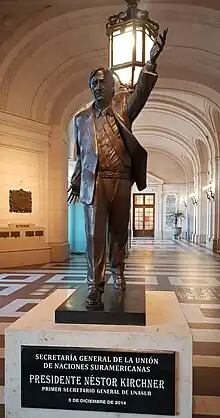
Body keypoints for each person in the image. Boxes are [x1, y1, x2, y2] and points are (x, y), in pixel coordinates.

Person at [68, 29, 168, 310]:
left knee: (118, 234)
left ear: (114, 88)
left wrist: (150, 63)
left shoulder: (124, 107)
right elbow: (82, 155)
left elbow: (142, 92)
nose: (98, 86)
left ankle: (118, 273)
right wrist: (76, 180)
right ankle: (94, 287)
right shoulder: (81, 119)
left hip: (121, 180)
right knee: (93, 237)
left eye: (103, 82)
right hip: (95, 181)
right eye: (94, 83)